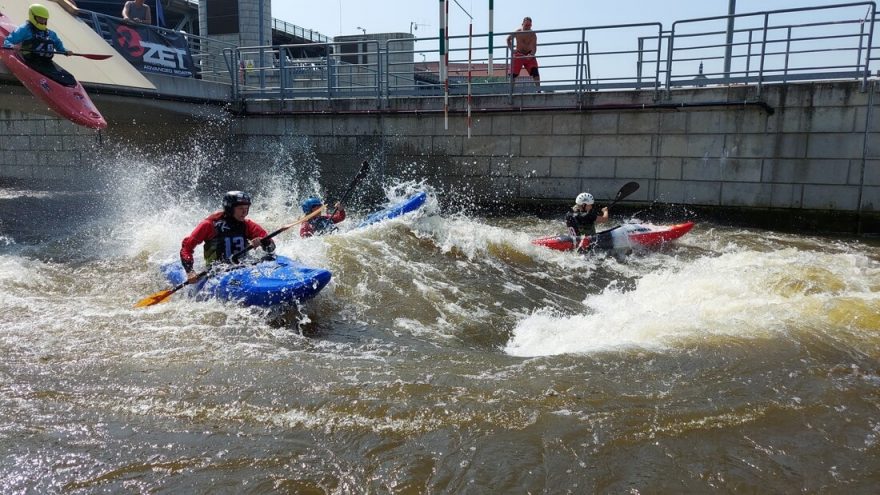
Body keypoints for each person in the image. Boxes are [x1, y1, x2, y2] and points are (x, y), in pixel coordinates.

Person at [179, 191, 275, 283]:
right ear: (230, 208)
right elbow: (186, 248)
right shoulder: (209, 225)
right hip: (217, 272)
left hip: (244, 268)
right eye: (241, 208)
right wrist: (190, 271)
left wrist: (263, 242)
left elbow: (271, 247)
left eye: (246, 208)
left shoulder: (247, 225)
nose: (244, 212)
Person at [2, 4, 71, 70]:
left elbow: (59, 46)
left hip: (44, 61)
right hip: (27, 59)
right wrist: (12, 46)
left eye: (44, 19)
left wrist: (65, 51)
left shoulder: (50, 33)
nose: (43, 21)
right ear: (33, 16)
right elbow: (8, 41)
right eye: (40, 18)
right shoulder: (24, 29)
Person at [506, 16, 540, 92]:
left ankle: (538, 90)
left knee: (535, 72)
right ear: (522, 24)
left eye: (529, 25)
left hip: (529, 54)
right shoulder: (518, 32)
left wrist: (531, 54)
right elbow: (508, 39)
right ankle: (511, 91)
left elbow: (534, 48)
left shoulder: (533, 34)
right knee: (512, 74)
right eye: (526, 25)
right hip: (518, 54)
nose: (528, 27)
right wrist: (512, 49)